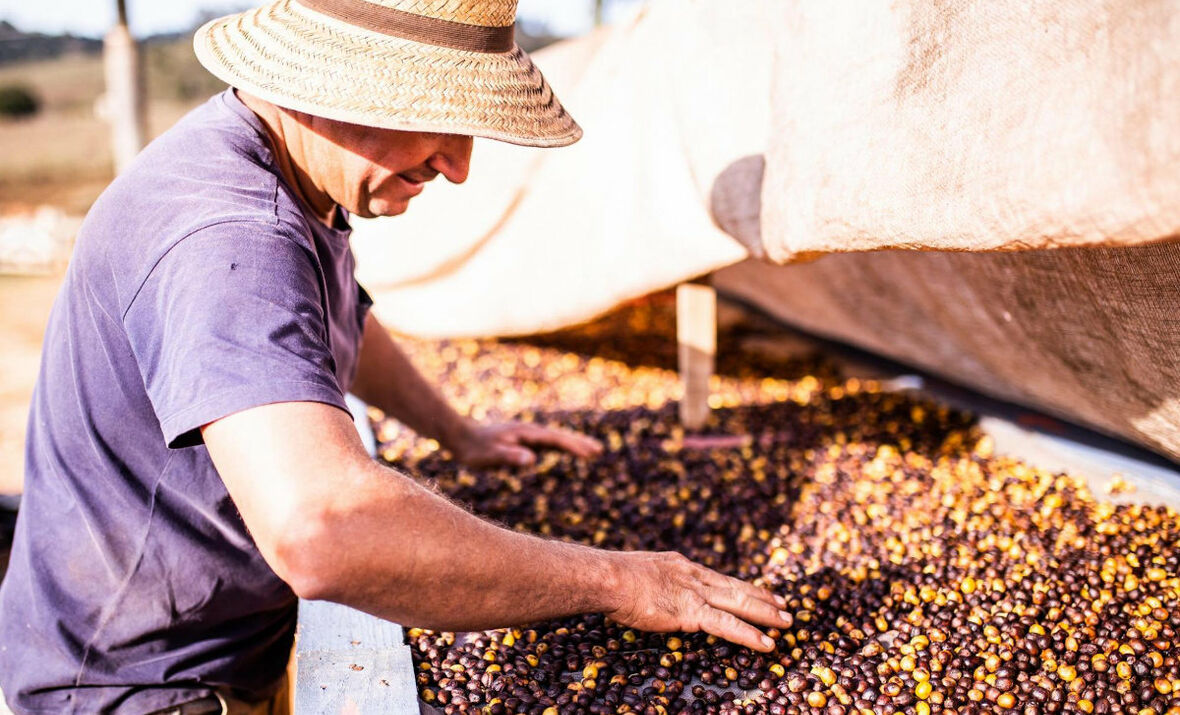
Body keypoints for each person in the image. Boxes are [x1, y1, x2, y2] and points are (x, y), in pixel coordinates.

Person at [0, 0, 792, 712]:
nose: (458, 165)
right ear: (326, 84)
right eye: (435, 119)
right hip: (139, 688)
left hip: (212, 646)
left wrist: (458, 431)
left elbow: (331, 321)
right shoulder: (229, 236)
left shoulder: (287, 172)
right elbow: (323, 530)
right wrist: (618, 579)